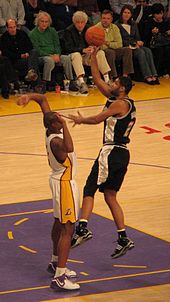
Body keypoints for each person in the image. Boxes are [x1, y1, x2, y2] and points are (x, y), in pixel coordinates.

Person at [69, 46, 136, 259]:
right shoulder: (121, 100)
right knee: (110, 196)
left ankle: (82, 229)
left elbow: (98, 118)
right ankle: (123, 237)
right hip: (122, 154)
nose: (112, 84)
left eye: (115, 83)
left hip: (111, 151)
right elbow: (97, 79)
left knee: (89, 189)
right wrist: (95, 55)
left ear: (122, 89)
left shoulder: (119, 104)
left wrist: (80, 120)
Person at [17, 93, 80, 290]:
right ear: (53, 125)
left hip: (57, 181)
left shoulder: (50, 126)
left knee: (57, 223)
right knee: (68, 228)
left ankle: (54, 262)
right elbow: (69, 147)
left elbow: (43, 99)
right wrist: (67, 125)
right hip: (64, 183)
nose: (60, 119)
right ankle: (60, 277)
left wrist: (28, 96)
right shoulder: (56, 142)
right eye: (57, 120)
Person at [64, 10, 111, 94]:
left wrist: (95, 47)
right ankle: (81, 83)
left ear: (85, 22)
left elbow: (97, 43)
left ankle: (107, 80)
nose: (80, 24)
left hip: (88, 56)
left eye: (82, 22)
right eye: (78, 22)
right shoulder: (68, 31)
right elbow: (67, 48)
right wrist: (82, 50)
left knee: (100, 53)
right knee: (76, 55)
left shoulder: (90, 29)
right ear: (74, 22)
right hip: (76, 57)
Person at [29, 11, 78, 91]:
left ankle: (70, 81)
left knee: (66, 58)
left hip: (55, 55)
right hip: (42, 57)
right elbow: (37, 50)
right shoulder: (33, 34)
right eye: (42, 21)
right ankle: (44, 83)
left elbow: (57, 45)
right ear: (38, 22)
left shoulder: (52, 31)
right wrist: (50, 55)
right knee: (49, 60)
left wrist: (57, 54)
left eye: (46, 22)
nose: (44, 24)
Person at [116, 5, 160, 84]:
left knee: (148, 50)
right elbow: (120, 40)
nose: (126, 14)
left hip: (135, 45)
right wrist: (134, 43)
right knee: (141, 52)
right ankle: (147, 76)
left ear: (131, 14)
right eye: (125, 12)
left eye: (128, 13)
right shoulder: (117, 25)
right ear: (121, 13)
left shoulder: (134, 24)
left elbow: (137, 37)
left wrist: (139, 42)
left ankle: (154, 74)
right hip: (126, 48)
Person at [96, 9, 134, 79]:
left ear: (111, 19)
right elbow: (100, 46)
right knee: (110, 52)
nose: (105, 20)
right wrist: (111, 44)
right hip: (102, 52)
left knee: (127, 50)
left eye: (108, 18)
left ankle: (125, 76)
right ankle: (113, 76)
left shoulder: (115, 27)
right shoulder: (96, 28)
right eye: (103, 18)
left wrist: (107, 43)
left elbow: (119, 44)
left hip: (114, 50)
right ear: (101, 19)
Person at [0, 19, 39, 84]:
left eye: (14, 27)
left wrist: (26, 53)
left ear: (16, 26)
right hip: (15, 61)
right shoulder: (4, 38)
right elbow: (6, 53)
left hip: (26, 57)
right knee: (34, 61)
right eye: (10, 27)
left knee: (34, 52)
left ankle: (30, 72)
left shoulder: (22, 34)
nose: (13, 29)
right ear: (7, 28)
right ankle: (37, 84)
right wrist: (20, 55)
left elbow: (29, 46)